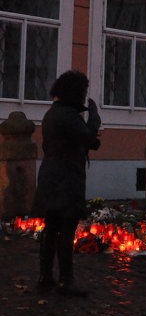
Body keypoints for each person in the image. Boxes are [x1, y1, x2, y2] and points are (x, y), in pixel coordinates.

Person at [32, 70, 101, 296]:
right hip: (66, 177)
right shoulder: (68, 116)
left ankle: (45, 276)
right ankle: (66, 280)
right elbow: (88, 136)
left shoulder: (53, 113)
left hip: (51, 175)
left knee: (51, 227)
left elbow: (74, 139)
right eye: (83, 91)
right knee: (67, 227)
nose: (84, 96)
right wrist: (95, 117)